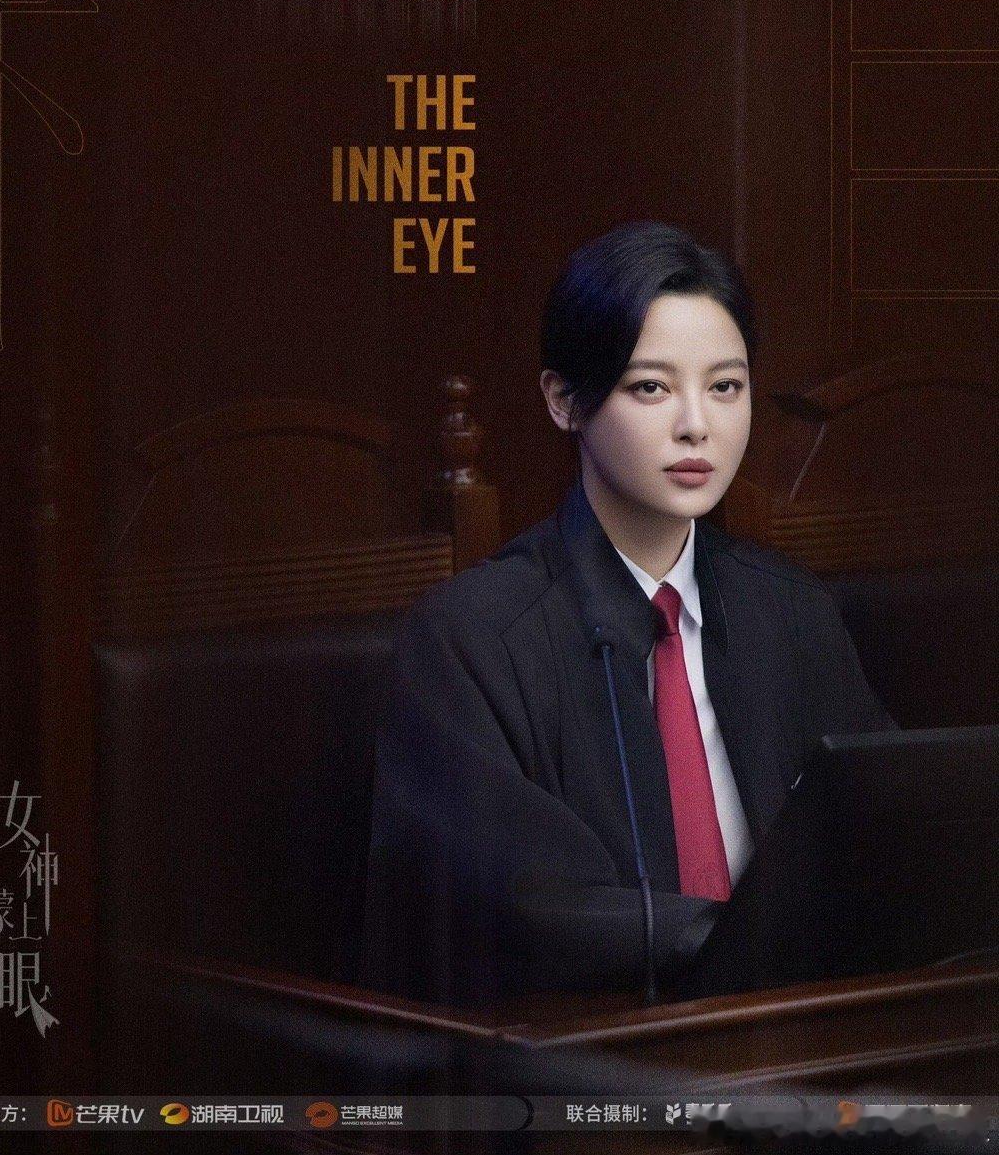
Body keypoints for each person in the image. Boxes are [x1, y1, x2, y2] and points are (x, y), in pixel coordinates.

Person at [359, 223, 894, 1007]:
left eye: (725, 386)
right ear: (563, 400)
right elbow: (523, 912)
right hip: (584, 1047)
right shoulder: (469, 638)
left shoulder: (791, 610)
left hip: (796, 1031)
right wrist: (744, 941)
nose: (697, 425)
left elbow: (886, 826)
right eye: (651, 387)